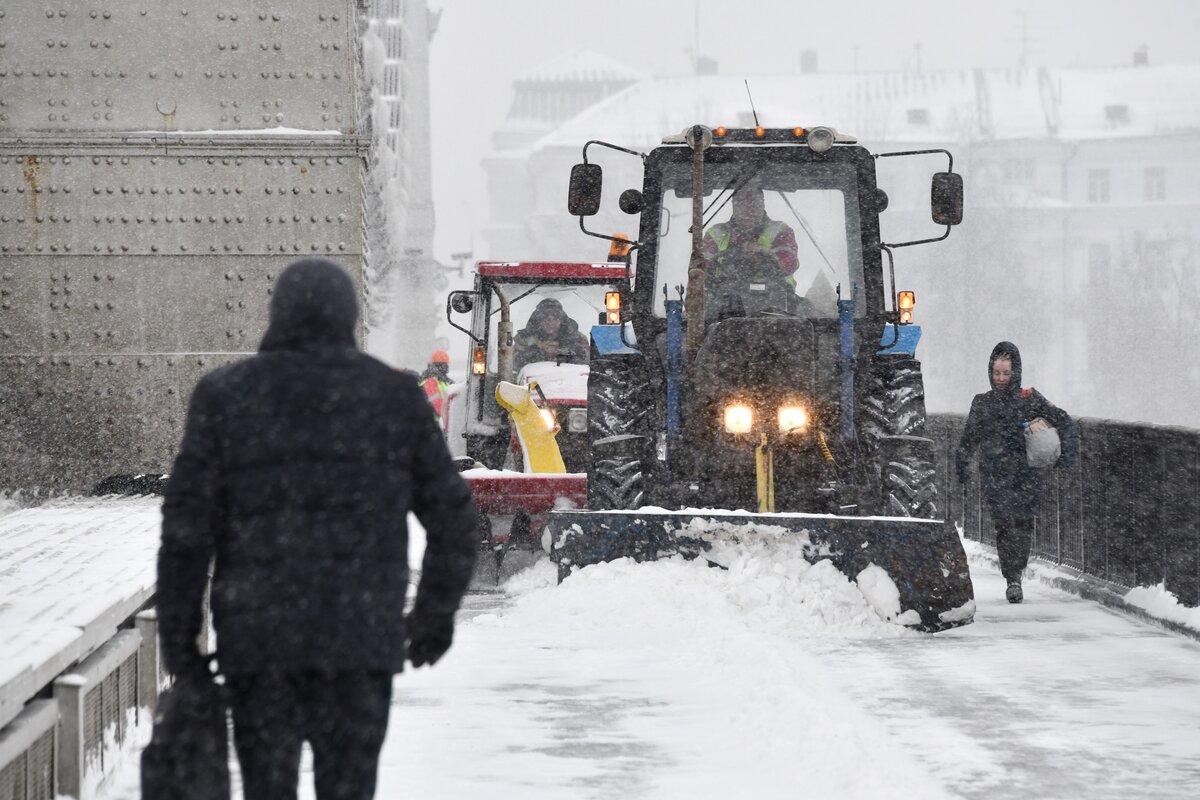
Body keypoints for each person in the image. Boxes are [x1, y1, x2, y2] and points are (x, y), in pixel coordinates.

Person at [157, 258, 479, 800]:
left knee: (268, 787)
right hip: (358, 646)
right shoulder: (393, 398)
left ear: (276, 315)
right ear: (349, 318)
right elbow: (453, 516)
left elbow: (186, 533)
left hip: (258, 646)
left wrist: (180, 642)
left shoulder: (225, 396)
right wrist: (432, 618)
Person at [956, 341, 1077, 604]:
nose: (1000, 379)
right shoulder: (982, 403)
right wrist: (961, 465)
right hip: (995, 476)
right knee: (1005, 525)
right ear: (990, 372)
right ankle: (1012, 578)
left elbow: (1062, 419)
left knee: (1022, 525)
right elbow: (968, 439)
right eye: (997, 373)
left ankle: (1016, 571)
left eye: (1005, 374)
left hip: (1026, 476)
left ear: (1015, 372)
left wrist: (1067, 454)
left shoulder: (1029, 399)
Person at [702, 178, 799, 292]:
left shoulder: (780, 231)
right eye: (742, 203)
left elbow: (789, 263)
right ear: (733, 204)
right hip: (722, 302)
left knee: (806, 307)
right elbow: (699, 270)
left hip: (779, 303)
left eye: (754, 203)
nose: (748, 209)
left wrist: (762, 256)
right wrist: (728, 263)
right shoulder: (715, 233)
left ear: (763, 203)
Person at [512, 297, 589, 373]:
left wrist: (563, 350)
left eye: (555, 318)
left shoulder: (577, 338)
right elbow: (513, 363)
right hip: (533, 382)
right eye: (545, 318)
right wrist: (538, 349)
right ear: (538, 321)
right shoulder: (523, 339)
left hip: (572, 380)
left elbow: (587, 360)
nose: (550, 322)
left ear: (562, 320)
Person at [419, 349, 451, 421]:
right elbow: (436, 404)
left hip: (440, 423)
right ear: (442, 365)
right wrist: (450, 416)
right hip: (433, 423)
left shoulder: (443, 380)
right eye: (446, 364)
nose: (447, 367)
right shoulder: (431, 381)